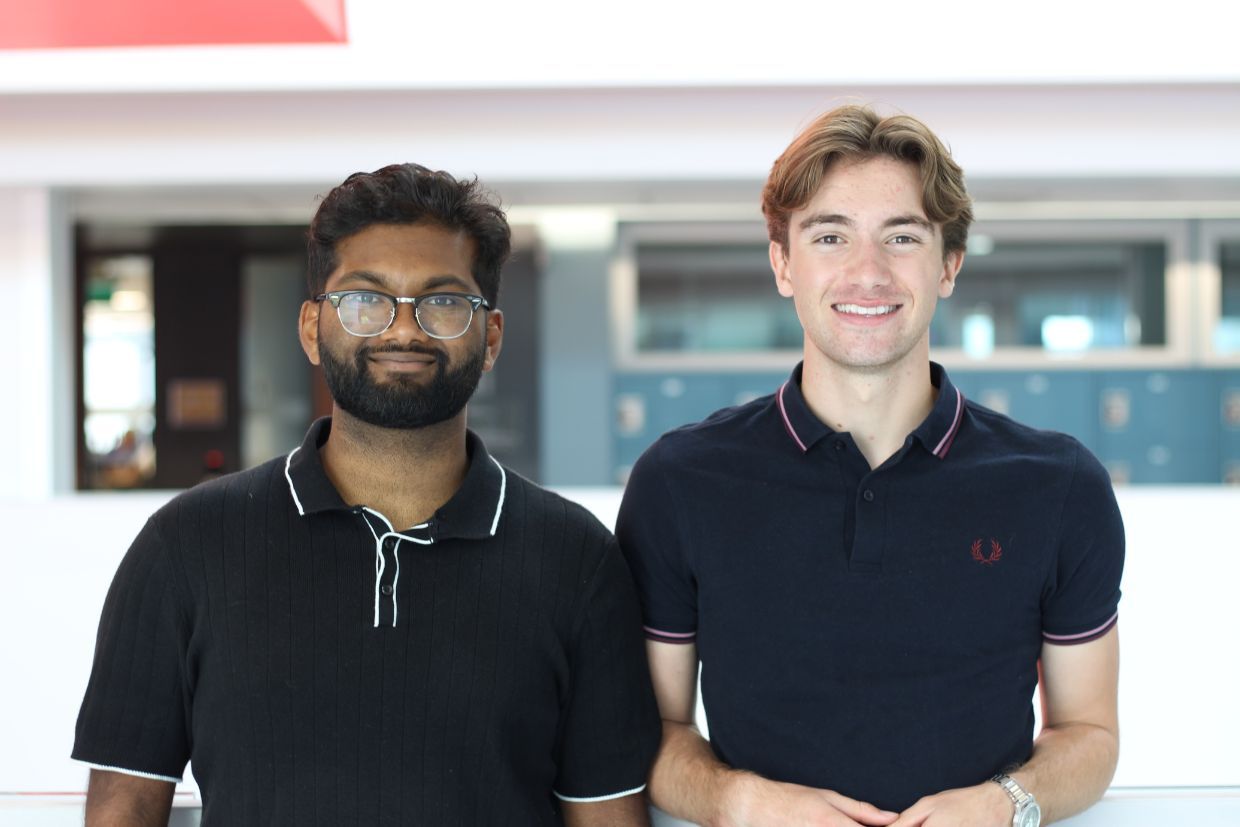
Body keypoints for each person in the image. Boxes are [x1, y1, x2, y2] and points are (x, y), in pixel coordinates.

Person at [73, 163, 661, 827]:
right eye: (365, 299)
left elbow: (608, 818)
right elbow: (122, 811)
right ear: (310, 327)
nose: (403, 330)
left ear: (490, 336)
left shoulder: (576, 559)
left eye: (442, 301)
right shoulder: (185, 546)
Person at [616, 106, 1124, 827]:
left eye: (902, 236)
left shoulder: (1059, 485)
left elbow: (1089, 733)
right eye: (830, 236)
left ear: (948, 264)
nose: (867, 272)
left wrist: (1002, 805)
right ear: (783, 263)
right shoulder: (679, 482)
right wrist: (739, 800)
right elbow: (652, 731)